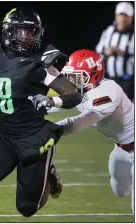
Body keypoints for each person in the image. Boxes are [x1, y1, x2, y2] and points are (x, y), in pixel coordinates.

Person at [0, 7, 82, 222]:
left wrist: (52, 100)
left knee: (27, 208)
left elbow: (72, 94)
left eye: (32, 32)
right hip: (3, 136)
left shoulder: (42, 61)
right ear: (8, 32)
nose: (27, 37)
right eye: (22, 31)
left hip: (34, 139)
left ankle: (48, 176)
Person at [33, 49, 134, 213]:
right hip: (122, 147)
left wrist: (49, 128)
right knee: (120, 190)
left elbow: (78, 123)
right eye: (72, 76)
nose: (73, 81)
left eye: (79, 77)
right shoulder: (85, 90)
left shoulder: (108, 92)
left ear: (95, 75)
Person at [95, 2, 134, 101]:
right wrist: (106, 51)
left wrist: (126, 54)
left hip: (129, 81)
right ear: (116, 16)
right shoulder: (109, 31)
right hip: (110, 79)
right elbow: (98, 51)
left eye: (126, 16)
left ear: (131, 17)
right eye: (121, 15)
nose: (123, 19)